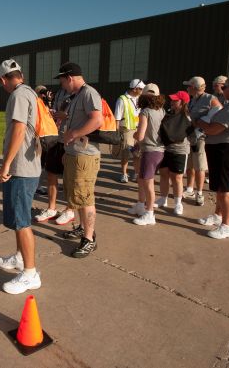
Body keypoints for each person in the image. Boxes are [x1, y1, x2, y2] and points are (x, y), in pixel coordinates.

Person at [0, 59, 42, 294]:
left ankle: (30, 274)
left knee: (22, 222)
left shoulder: (18, 95)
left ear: (4, 79)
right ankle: (20, 258)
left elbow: (19, 129)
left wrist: (6, 165)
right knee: (17, 219)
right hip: (23, 168)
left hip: (22, 169)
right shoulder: (28, 92)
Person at [55, 62, 103, 257]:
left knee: (86, 198)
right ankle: (83, 228)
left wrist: (73, 134)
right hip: (76, 153)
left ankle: (89, 239)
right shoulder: (76, 95)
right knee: (79, 197)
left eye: (62, 81)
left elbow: (97, 120)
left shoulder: (89, 93)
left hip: (86, 155)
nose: (62, 85)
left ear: (70, 78)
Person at [196, 74, 229, 239]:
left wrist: (199, 122)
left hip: (226, 150)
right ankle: (218, 216)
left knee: (225, 190)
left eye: (225, 86)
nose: (222, 89)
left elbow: (214, 129)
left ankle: (228, 225)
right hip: (222, 149)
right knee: (220, 187)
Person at [33, 84, 76, 228]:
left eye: (63, 78)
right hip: (55, 138)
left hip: (71, 141)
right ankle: (51, 208)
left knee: (69, 177)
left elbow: (91, 117)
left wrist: (67, 116)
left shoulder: (82, 94)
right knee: (51, 173)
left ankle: (70, 210)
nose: (61, 82)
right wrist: (52, 113)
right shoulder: (59, 93)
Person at [127, 83, 165, 225]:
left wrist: (135, 135)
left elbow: (140, 135)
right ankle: (140, 205)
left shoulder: (145, 112)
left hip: (150, 150)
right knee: (143, 179)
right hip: (158, 150)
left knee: (147, 182)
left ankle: (150, 213)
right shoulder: (161, 110)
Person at [184, 76, 222, 206]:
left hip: (200, 137)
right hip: (190, 135)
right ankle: (189, 188)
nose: (187, 88)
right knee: (189, 164)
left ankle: (199, 193)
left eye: (189, 86)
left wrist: (204, 122)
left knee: (199, 166)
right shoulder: (192, 100)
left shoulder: (210, 98)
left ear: (194, 88)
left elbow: (219, 112)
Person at [155, 90, 192, 216]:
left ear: (183, 103)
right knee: (164, 174)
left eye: (175, 100)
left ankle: (178, 203)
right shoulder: (168, 114)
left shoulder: (188, 116)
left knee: (177, 178)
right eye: (172, 100)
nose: (172, 102)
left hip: (180, 151)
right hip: (165, 149)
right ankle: (163, 199)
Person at [114, 79, 145, 183]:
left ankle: (136, 173)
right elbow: (117, 118)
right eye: (141, 89)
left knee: (138, 153)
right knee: (126, 152)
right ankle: (124, 174)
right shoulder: (122, 99)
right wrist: (116, 133)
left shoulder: (140, 98)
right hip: (126, 129)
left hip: (138, 128)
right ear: (135, 89)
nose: (142, 90)